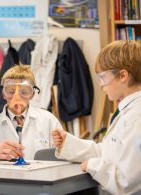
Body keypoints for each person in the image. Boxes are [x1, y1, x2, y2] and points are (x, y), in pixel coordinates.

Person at [52, 40, 141, 194]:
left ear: (122, 75)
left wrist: (93, 166)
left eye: (102, 77)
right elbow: (109, 152)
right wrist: (69, 143)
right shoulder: (129, 110)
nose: (101, 84)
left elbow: (127, 181)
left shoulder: (136, 116)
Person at [0, 65, 63, 160]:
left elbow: (61, 154)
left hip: (40, 174)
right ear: (3, 94)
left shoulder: (48, 120)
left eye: (24, 92)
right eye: (11, 92)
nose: (17, 97)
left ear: (32, 94)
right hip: (5, 174)